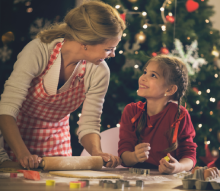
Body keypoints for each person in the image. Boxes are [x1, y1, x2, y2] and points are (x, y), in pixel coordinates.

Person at [0, 0, 126, 169]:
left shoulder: (99, 70)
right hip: (15, 139)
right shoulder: (39, 51)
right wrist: (23, 155)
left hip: (57, 142)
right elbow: (7, 109)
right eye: (108, 49)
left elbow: (89, 123)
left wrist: (97, 153)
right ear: (86, 43)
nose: (113, 54)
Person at [118, 55, 197, 174]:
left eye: (153, 75)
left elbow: (189, 155)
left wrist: (178, 167)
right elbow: (124, 155)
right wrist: (134, 156)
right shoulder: (131, 111)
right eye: (145, 72)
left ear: (169, 90)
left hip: (168, 182)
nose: (143, 77)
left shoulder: (180, 115)